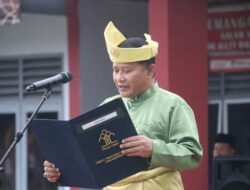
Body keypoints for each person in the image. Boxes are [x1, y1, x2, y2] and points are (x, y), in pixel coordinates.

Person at [43, 21, 203, 190]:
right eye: (115, 70)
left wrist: (153, 148)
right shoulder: (108, 105)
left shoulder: (173, 104)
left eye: (126, 71)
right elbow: (91, 159)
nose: (119, 78)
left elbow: (192, 154)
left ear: (150, 71)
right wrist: (61, 171)